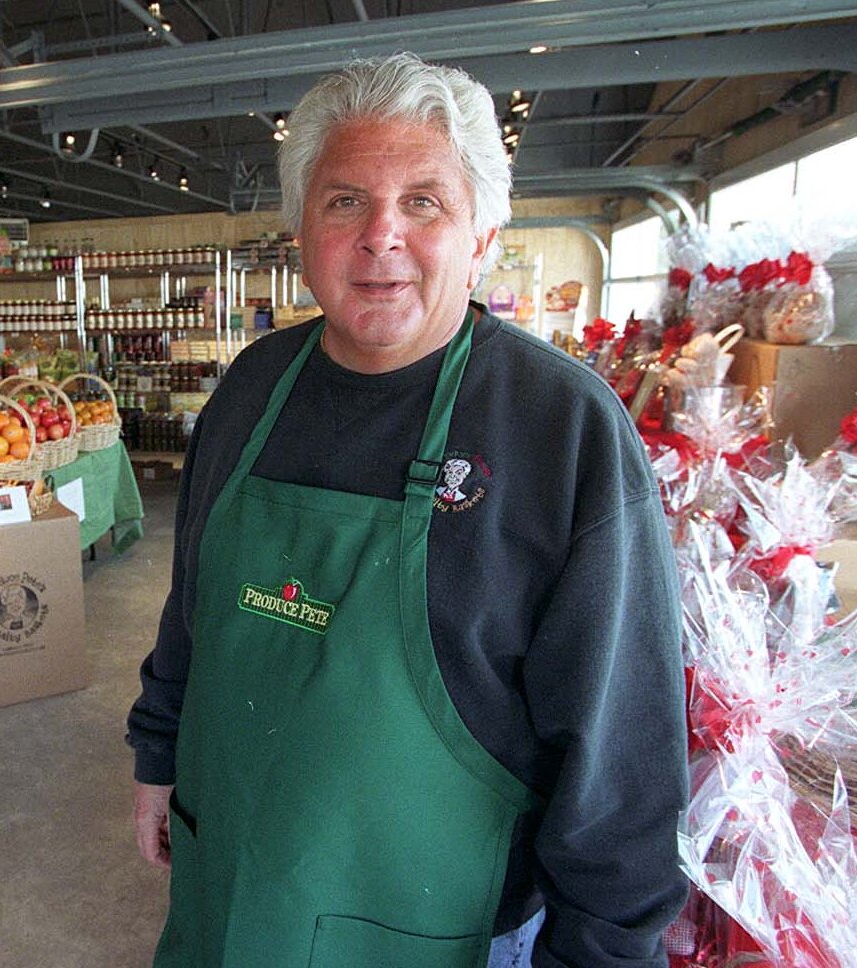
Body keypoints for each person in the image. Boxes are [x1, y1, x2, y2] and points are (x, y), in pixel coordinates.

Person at [127, 52, 689, 968]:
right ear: (302, 232)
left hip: (440, 929)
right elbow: (192, 607)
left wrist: (606, 951)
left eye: (424, 202)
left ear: (483, 237)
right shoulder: (251, 389)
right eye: (345, 200)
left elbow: (621, 754)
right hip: (230, 883)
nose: (380, 235)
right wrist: (157, 753)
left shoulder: (562, 429)